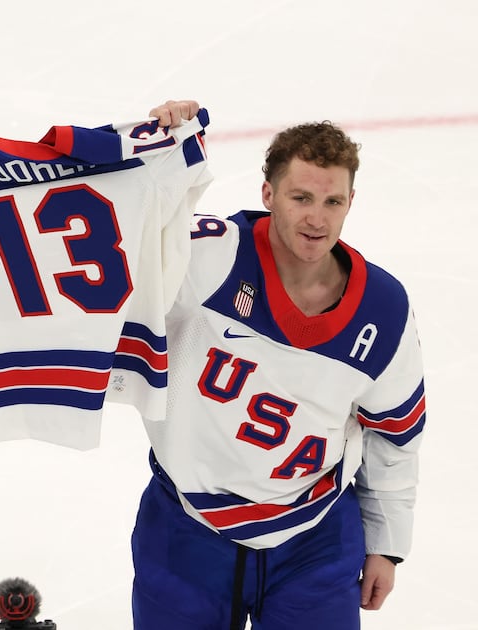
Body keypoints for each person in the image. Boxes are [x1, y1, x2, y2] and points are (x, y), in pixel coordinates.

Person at [128, 107, 428, 629]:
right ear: (268, 195)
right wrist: (155, 148)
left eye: (333, 201)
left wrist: (386, 544)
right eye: (301, 198)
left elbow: (394, 435)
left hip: (315, 541)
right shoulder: (205, 259)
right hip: (184, 529)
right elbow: (117, 247)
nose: (318, 218)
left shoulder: (383, 310)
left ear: (351, 202)